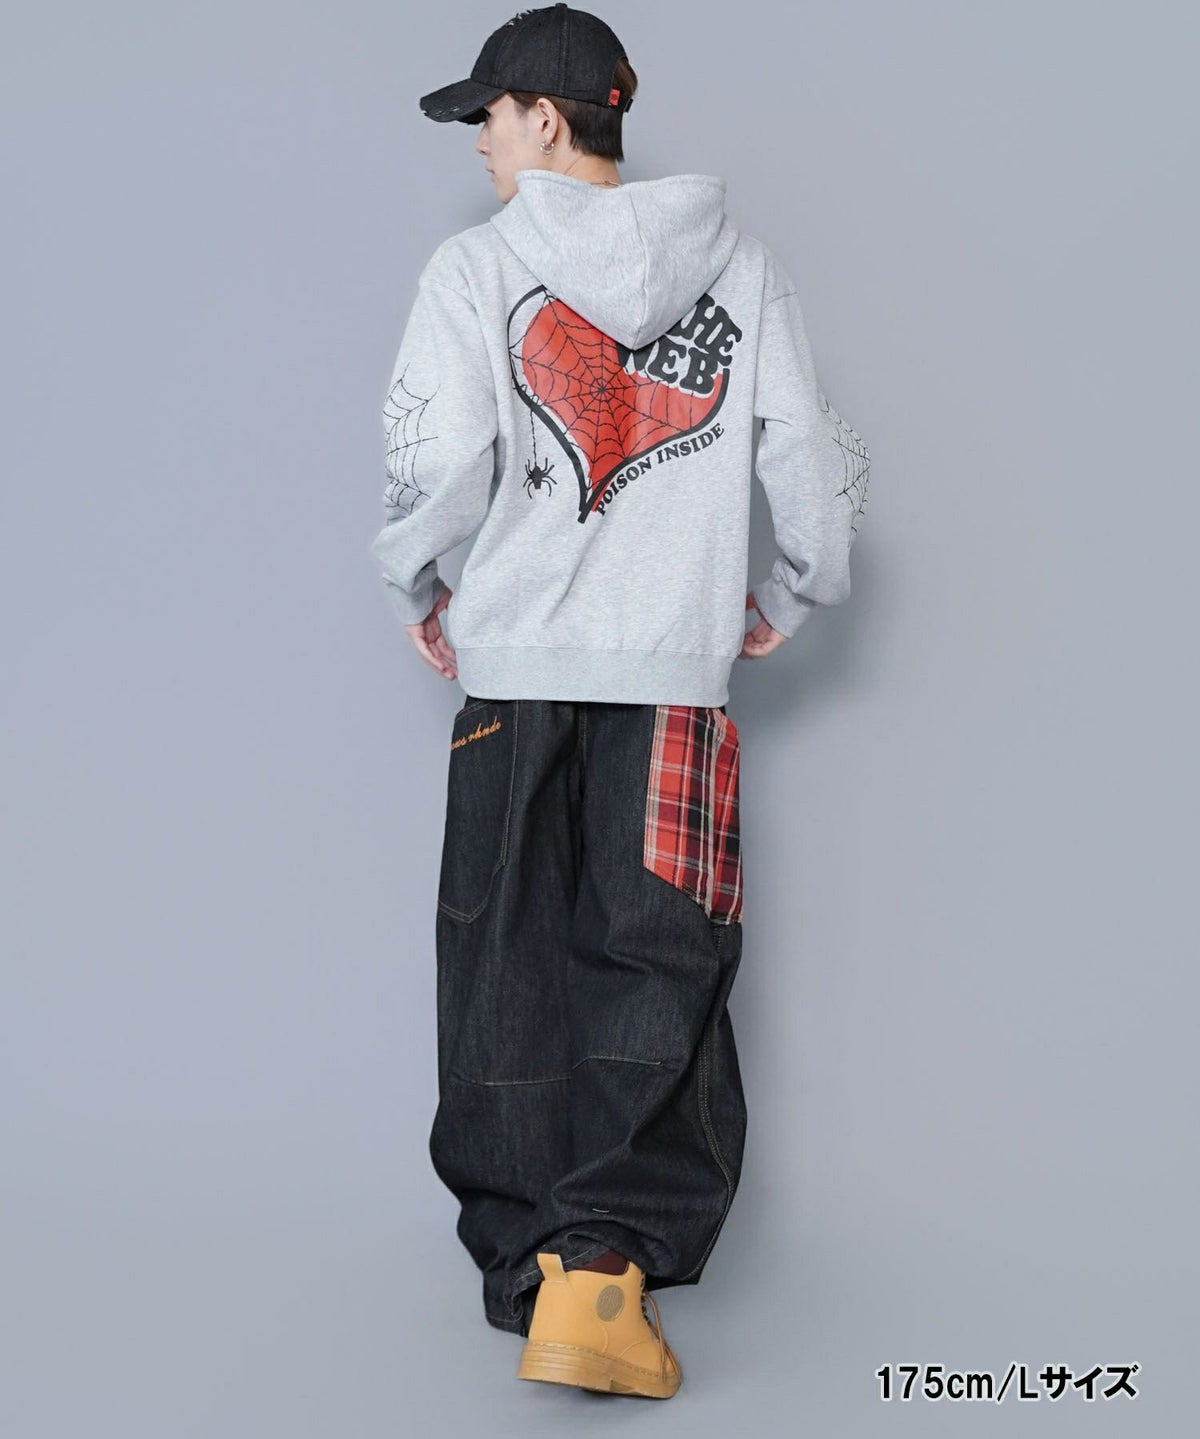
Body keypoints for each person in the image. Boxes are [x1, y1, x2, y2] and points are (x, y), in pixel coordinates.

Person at [368, 3, 871, 1401]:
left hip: (514, 679)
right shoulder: (745, 269)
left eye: (488, 115)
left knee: (505, 966)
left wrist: (416, 580)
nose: (479, 143)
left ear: (545, 117)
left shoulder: (476, 270)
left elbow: (438, 459)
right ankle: (606, 1272)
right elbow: (806, 457)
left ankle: (537, 1270)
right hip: (671, 688)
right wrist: (797, 590)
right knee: (657, 958)